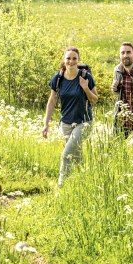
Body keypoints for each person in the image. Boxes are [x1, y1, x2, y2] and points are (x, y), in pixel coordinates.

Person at [42, 46, 98, 185]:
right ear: (64, 60)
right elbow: (52, 100)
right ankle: (85, 182)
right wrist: (46, 124)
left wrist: (85, 87)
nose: (71, 61)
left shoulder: (86, 77)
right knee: (76, 156)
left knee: (66, 154)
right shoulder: (58, 78)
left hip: (83, 122)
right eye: (68, 58)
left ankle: (61, 186)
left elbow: (95, 99)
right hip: (66, 124)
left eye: (74, 58)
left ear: (78, 60)